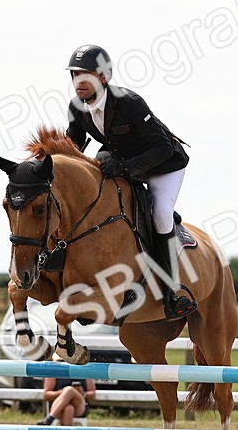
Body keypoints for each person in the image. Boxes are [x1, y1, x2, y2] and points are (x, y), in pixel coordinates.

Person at [63, 44, 197, 319]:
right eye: (75, 74)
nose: (79, 81)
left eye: (86, 74)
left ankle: (172, 290)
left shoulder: (129, 102)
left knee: (161, 214)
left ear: (103, 77)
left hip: (164, 164)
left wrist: (124, 168)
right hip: (123, 161)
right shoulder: (77, 107)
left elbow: (163, 148)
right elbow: (73, 143)